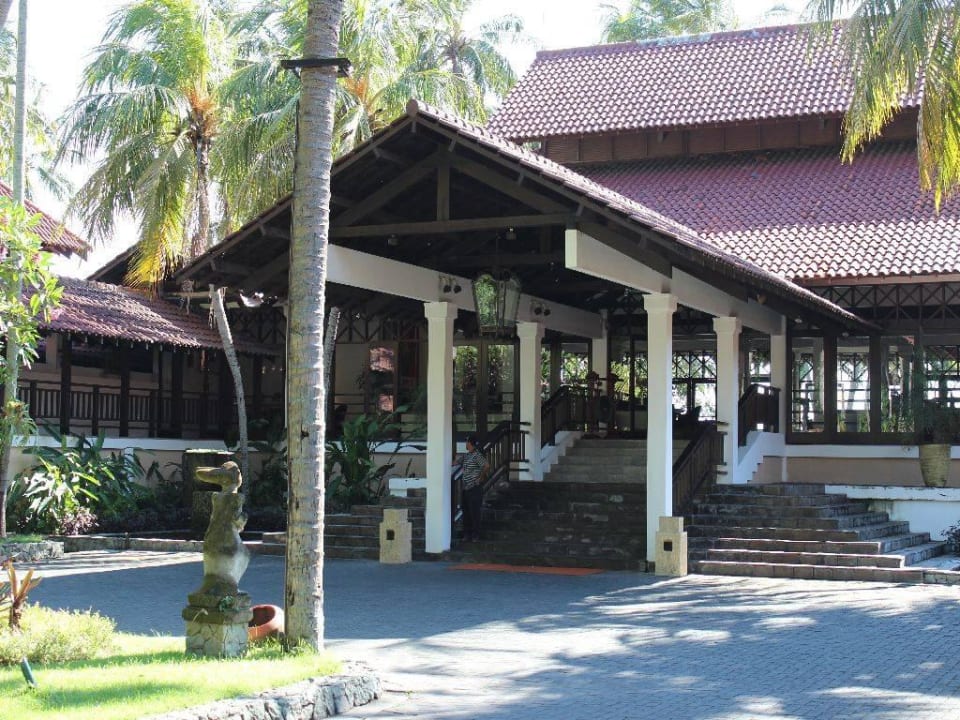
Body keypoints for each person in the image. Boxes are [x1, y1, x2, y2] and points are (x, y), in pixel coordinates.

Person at [460, 434, 490, 543]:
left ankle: (475, 534)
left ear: (471, 443)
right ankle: (466, 534)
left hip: (474, 488)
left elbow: (486, 466)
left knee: (474, 512)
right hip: (465, 488)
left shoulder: (477, 455)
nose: (466, 444)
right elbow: (456, 462)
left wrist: (480, 478)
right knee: (466, 511)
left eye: (467, 442)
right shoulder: (466, 456)